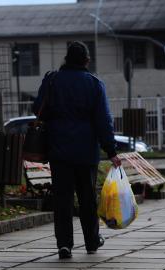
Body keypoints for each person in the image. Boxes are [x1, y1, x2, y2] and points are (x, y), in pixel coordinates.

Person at [33, 41, 121, 259]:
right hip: (86, 153)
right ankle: (91, 241)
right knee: (87, 199)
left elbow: (37, 110)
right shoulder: (94, 84)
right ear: (86, 60)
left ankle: (64, 244)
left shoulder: (52, 80)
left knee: (62, 200)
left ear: (66, 59)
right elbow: (103, 121)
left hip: (59, 150)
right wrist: (111, 150)